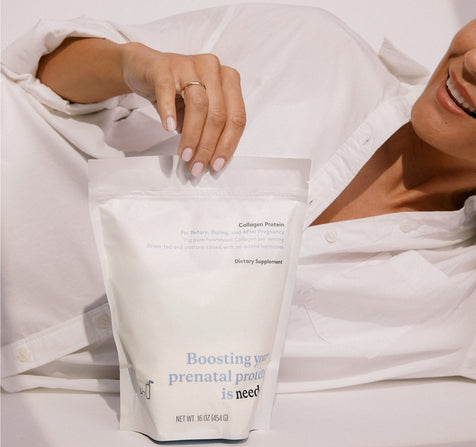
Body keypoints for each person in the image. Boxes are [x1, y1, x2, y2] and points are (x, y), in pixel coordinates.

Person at [1, 4, 475, 393]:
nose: (472, 63)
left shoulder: (457, 296)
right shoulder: (312, 47)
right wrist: (133, 65)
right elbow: (40, 75)